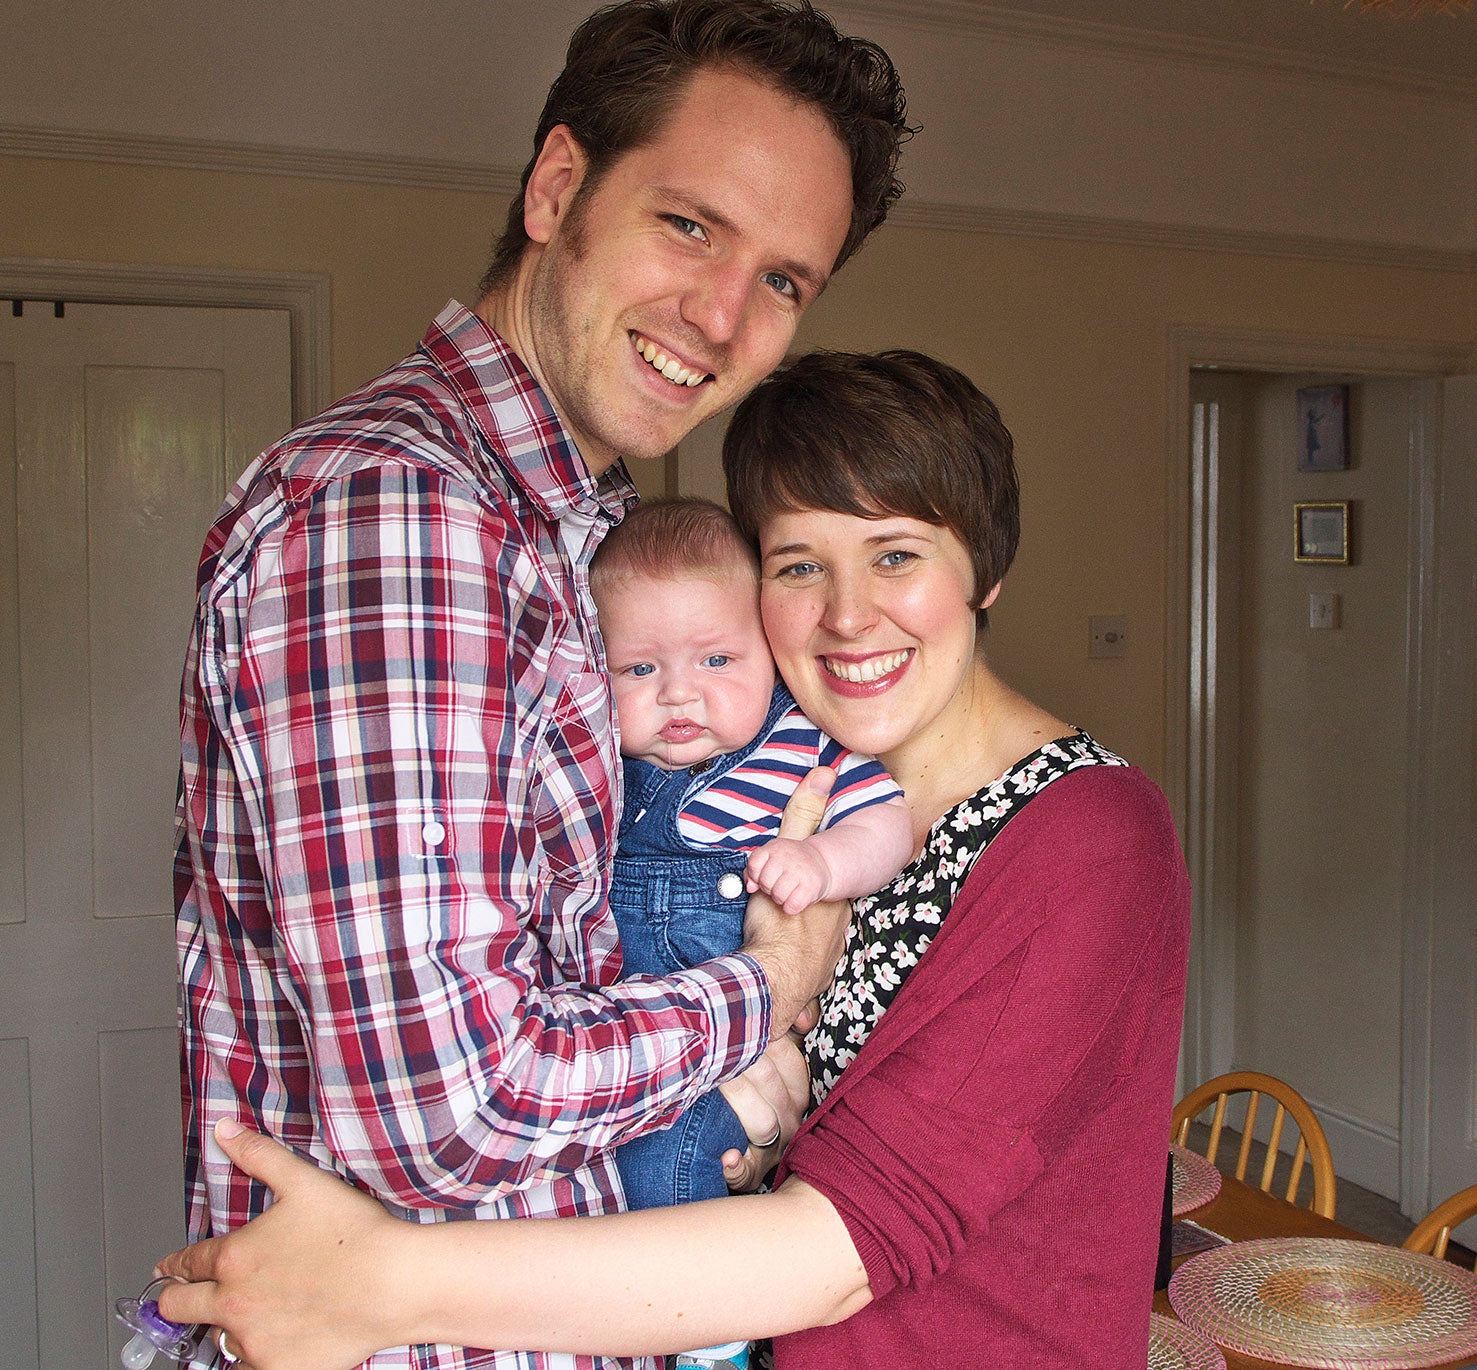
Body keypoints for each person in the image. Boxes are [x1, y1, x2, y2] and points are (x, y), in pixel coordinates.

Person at [158, 349, 1193, 1370]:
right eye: (798, 563)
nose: (843, 614)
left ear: (987, 570)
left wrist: (376, 1286)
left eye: (895, 554)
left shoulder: (1086, 840)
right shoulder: (736, 781)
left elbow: (836, 1249)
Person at [173, 4, 911, 1368]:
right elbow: (451, 1112)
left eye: (786, 280)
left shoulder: (579, 532)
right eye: (690, 225)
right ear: (560, 186)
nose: (722, 317)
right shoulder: (404, 513)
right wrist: (766, 984)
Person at [590, 498, 916, 1369]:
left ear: (770, 652)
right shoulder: (597, 771)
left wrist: (824, 864)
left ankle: (711, 1340)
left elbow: (889, 826)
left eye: (718, 659)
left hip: (726, 1064)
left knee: (673, 1170)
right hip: (623, 1052)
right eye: (638, 669)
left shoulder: (803, 748)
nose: (679, 694)